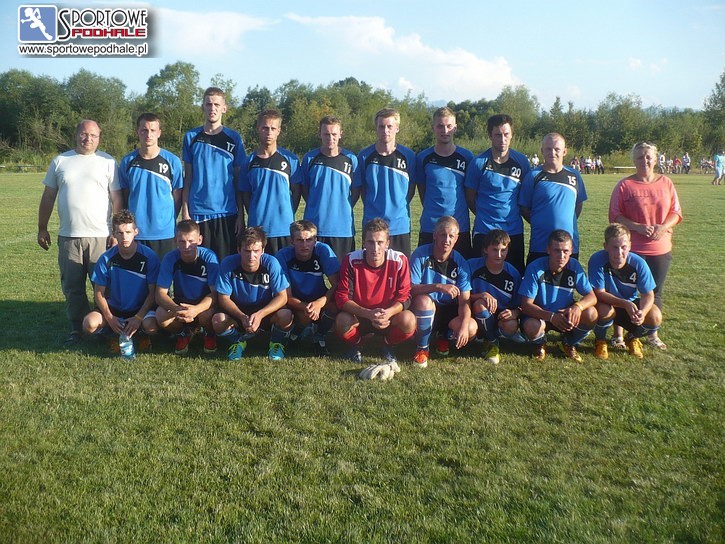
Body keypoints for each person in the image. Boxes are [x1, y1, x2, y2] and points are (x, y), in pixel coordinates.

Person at [37, 119, 122, 344]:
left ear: (99, 138)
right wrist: (42, 228)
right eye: (84, 134)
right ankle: (77, 328)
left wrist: (115, 231)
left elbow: (117, 198)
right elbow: (48, 196)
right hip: (69, 236)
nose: (88, 139)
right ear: (76, 135)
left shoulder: (108, 162)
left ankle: (105, 326)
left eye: (93, 135)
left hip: (100, 236)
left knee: (103, 286)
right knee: (72, 286)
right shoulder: (60, 161)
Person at [609, 141, 682, 350]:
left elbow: (676, 213)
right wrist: (637, 227)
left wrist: (663, 227)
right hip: (631, 250)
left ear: (656, 159)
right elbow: (615, 215)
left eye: (648, 156)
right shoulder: (625, 185)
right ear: (634, 160)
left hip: (660, 249)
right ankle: (618, 335)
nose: (645, 160)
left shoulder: (666, 183)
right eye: (640, 157)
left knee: (654, 292)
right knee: (624, 293)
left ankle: (651, 334)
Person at [335, 218, 416, 364]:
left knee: (409, 320)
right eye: (370, 242)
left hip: (388, 317)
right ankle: (358, 344)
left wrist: (388, 313)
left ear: (387, 243)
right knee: (342, 320)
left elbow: (405, 296)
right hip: (360, 316)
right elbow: (342, 298)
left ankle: (387, 344)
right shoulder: (351, 260)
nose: (375, 248)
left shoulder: (399, 260)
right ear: (364, 243)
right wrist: (368, 314)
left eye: (380, 242)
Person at [82, 210, 160, 353]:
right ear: (114, 234)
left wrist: (138, 317)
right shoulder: (106, 258)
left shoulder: (149, 257)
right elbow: (98, 293)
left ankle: (141, 334)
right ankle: (112, 334)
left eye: (128, 232)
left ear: (136, 232)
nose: (124, 237)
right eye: (120, 233)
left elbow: (153, 293)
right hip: (114, 309)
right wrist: (110, 318)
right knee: (89, 324)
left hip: (140, 309)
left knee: (151, 327)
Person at [182, 87, 245, 259]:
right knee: (200, 266)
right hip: (198, 213)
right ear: (202, 107)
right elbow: (188, 178)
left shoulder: (234, 138)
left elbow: (238, 181)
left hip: (227, 212)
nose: (212, 108)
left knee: (225, 264)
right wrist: (185, 212)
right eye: (208, 104)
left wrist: (241, 215)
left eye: (217, 104)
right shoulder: (191, 137)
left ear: (224, 108)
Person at [213, 227, 292, 361]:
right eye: (247, 251)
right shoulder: (228, 263)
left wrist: (260, 314)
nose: (251, 256)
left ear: (262, 250)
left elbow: (282, 297)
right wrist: (242, 316)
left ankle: (276, 343)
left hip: (264, 310)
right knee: (217, 320)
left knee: (286, 315)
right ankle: (238, 341)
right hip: (238, 310)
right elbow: (223, 298)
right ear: (239, 250)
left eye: (256, 251)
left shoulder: (271, 263)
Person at [465, 114, 531, 274]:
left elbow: (525, 197)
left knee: (514, 277)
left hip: (513, 231)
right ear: (490, 135)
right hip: (485, 230)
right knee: (480, 277)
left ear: (512, 135)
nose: (502, 139)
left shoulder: (521, 162)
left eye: (506, 134)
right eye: (498, 135)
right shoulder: (478, 163)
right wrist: (486, 216)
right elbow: (470, 198)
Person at [519, 230, 597, 362]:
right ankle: (540, 343)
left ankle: (568, 343)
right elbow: (526, 305)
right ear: (548, 250)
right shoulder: (535, 267)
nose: (561, 256)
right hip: (540, 316)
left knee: (591, 313)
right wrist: (551, 316)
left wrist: (577, 307)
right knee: (531, 326)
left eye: (565, 251)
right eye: (557, 250)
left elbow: (592, 296)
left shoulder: (574, 266)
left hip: (564, 315)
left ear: (571, 250)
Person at [409, 216, 476, 368]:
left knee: (471, 327)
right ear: (435, 235)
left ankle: (443, 337)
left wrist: (464, 326)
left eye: (451, 236)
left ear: (456, 239)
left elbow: (464, 302)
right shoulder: (420, 254)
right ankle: (422, 348)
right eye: (443, 235)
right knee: (423, 301)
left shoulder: (460, 263)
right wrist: (438, 286)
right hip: (425, 307)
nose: (447, 240)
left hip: (449, 311)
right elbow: (411, 289)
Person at [588, 223, 662, 360]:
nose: (619, 253)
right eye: (614, 247)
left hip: (630, 305)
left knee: (655, 316)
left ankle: (632, 338)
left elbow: (648, 294)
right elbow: (599, 293)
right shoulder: (597, 260)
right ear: (605, 246)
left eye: (623, 247)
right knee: (604, 310)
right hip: (607, 304)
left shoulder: (639, 263)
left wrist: (643, 312)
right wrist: (625, 304)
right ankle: (600, 341)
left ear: (630, 246)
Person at [119, 112, 183, 259]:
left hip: (164, 233)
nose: (148, 134)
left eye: (153, 130)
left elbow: (177, 197)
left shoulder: (172, 161)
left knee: (163, 273)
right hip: (135, 233)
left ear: (159, 133)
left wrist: (165, 219)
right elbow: (125, 196)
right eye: (144, 130)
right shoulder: (127, 161)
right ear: (137, 132)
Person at [240, 109, 301, 255]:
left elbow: (297, 191)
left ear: (279, 131)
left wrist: (287, 211)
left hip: (284, 228)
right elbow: (245, 194)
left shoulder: (290, 159)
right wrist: (255, 212)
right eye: (265, 128)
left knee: (282, 268)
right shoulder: (248, 161)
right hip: (257, 229)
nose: (269, 132)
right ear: (258, 129)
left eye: (273, 128)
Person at [519, 132, 588, 265]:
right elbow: (524, 207)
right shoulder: (533, 176)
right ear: (542, 151)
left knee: (567, 278)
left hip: (568, 246)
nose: (553, 153)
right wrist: (540, 222)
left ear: (565, 151)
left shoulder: (574, 176)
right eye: (548, 149)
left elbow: (578, 205)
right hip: (540, 244)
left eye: (557, 149)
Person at [356, 108, 417, 255]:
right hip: (372, 226)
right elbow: (363, 190)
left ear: (397, 128)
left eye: (389, 126)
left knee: (399, 267)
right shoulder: (364, 156)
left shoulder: (408, 156)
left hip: (399, 226)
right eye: (381, 126)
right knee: (371, 267)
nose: (385, 130)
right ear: (376, 128)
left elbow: (411, 189)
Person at [299, 115, 360, 261]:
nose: (330, 138)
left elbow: (356, 190)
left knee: (342, 272)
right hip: (314, 228)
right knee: (313, 271)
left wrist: (342, 207)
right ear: (320, 134)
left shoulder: (351, 159)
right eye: (326, 134)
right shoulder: (309, 158)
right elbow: (304, 189)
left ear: (340, 134)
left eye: (334, 134)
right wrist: (316, 205)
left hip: (342, 229)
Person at [275, 220, 340, 356]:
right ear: (292, 241)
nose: (304, 245)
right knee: (303, 315)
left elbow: (336, 284)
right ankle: (296, 332)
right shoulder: (283, 256)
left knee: (334, 306)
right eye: (299, 240)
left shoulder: (323, 250)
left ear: (315, 240)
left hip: (318, 298)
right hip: (295, 300)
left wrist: (319, 303)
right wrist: (307, 307)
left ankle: (319, 336)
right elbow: (286, 295)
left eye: (309, 240)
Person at [155, 220, 219, 355]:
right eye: (182, 242)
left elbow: (215, 294)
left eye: (191, 241)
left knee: (207, 315)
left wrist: (196, 310)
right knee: (160, 314)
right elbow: (160, 294)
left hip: (203, 305)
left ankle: (209, 333)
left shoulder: (209, 257)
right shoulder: (170, 258)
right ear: (175, 241)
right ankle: (183, 333)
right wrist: (177, 309)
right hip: (181, 304)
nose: (186, 246)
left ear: (199, 240)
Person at [416, 107, 473, 257]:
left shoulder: (467, 157)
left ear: (455, 128)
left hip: (459, 227)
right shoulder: (423, 158)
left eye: (449, 126)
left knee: (460, 269)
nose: (445, 130)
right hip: (430, 226)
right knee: (426, 268)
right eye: (440, 126)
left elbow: (470, 193)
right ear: (433, 128)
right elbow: (422, 190)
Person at [467, 229, 522, 365]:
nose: (499, 255)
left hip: (500, 316)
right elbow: (461, 296)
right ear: (485, 250)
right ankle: (492, 341)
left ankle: (491, 336)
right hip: (477, 314)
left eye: (503, 250)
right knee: (480, 304)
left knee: (511, 325)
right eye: (495, 250)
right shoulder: (471, 266)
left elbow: (520, 304)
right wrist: (481, 295)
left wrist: (514, 312)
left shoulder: (513, 273)